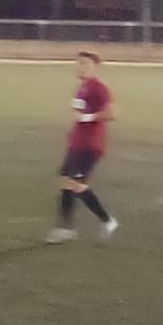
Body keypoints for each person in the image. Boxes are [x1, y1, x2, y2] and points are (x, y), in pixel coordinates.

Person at [49, 51, 118, 244]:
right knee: (67, 184)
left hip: (90, 145)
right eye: (79, 63)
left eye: (85, 64)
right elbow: (77, 112)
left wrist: (87, 118)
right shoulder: (82, 88)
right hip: (77, 143)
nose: (80, 67)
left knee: (76, 185)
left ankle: (107, 221)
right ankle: (66, 229)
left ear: (94, 67)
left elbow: (111, 113)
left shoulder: (99, 88)